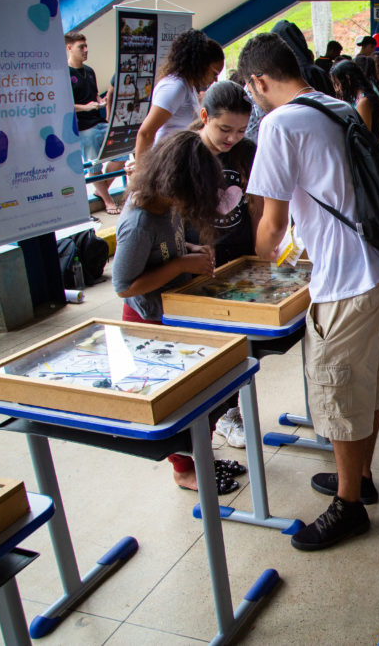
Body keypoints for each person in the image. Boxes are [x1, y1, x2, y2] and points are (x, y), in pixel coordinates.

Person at [239, 33, 379, 551]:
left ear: (260, 81)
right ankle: (361, 477)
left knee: (338, 396)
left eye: (251, 89)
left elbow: (271, 223)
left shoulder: (280, 123)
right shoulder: (334, 104)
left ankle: (349, 507)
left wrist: (256, 263)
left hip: (344, 286)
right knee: (366, 388)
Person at [112, 131, 246, 494]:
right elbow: (124, 284)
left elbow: (165, 247)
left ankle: (201, 456)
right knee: (174, 400)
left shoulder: (164, 204)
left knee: (199, 393)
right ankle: (184, 470)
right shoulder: (139, 221)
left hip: (172, 311)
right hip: (148, 320)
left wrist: (189, 250)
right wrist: (181, 264)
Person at [185, 80, 261, 449]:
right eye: (224, 129)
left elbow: (258, 204)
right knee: (207, 350)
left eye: (241, 130)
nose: (232, 138)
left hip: (241, 257)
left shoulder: (247, 151)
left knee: (240, 347)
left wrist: (262, 252)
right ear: (204, 117)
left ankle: (231, 413)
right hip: (200, 263)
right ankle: (213, 420)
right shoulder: (185, 152)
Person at [134, 29, 223, 163]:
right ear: (200, 64)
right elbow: (145, 133)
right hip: (165, 163)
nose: (215, 80)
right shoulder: (176, 86)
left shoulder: (188, 86)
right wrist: (140, 176)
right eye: (214, 73)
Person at [65, 31, 125, 214]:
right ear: (69, 48)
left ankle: (101, 190)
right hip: (84, 127)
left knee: (122, 153)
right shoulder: (64, 73)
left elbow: (94, 96)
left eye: (86, 46)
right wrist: (86, 107)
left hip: (99, 122)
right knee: (94, 164)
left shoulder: (89, 71)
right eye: (80, 47)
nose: (85, 50)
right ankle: (107, 200)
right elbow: (64, 104)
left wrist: (101, 102)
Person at [332, 60, 379, 138]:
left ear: (348, 79)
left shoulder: (363, 102)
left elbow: (364, 137)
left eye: (337, 84)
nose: (336, 89)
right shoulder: (355, 98)